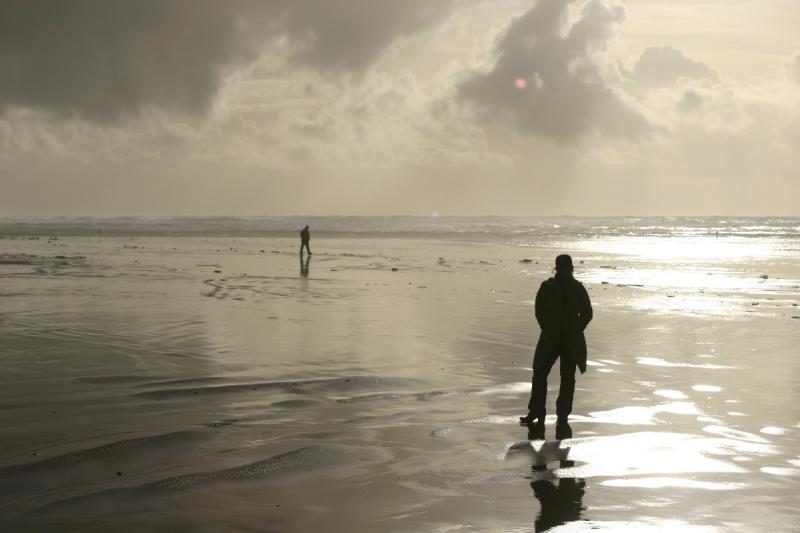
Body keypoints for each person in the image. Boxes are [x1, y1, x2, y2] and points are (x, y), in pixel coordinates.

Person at [520, 254, 592, 438]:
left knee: (567, 378)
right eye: (561, 268)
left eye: (566, 268)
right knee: (539, 373)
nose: (564, 271)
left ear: (571, 269)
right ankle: (536, 411)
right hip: (550, 338)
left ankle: (563, 415)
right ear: (557, 268)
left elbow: (587, 313)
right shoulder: (547, 287)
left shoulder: (578, 289)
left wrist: (576, 329)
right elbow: (539, 310)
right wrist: (547, 327)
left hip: (570, 341)